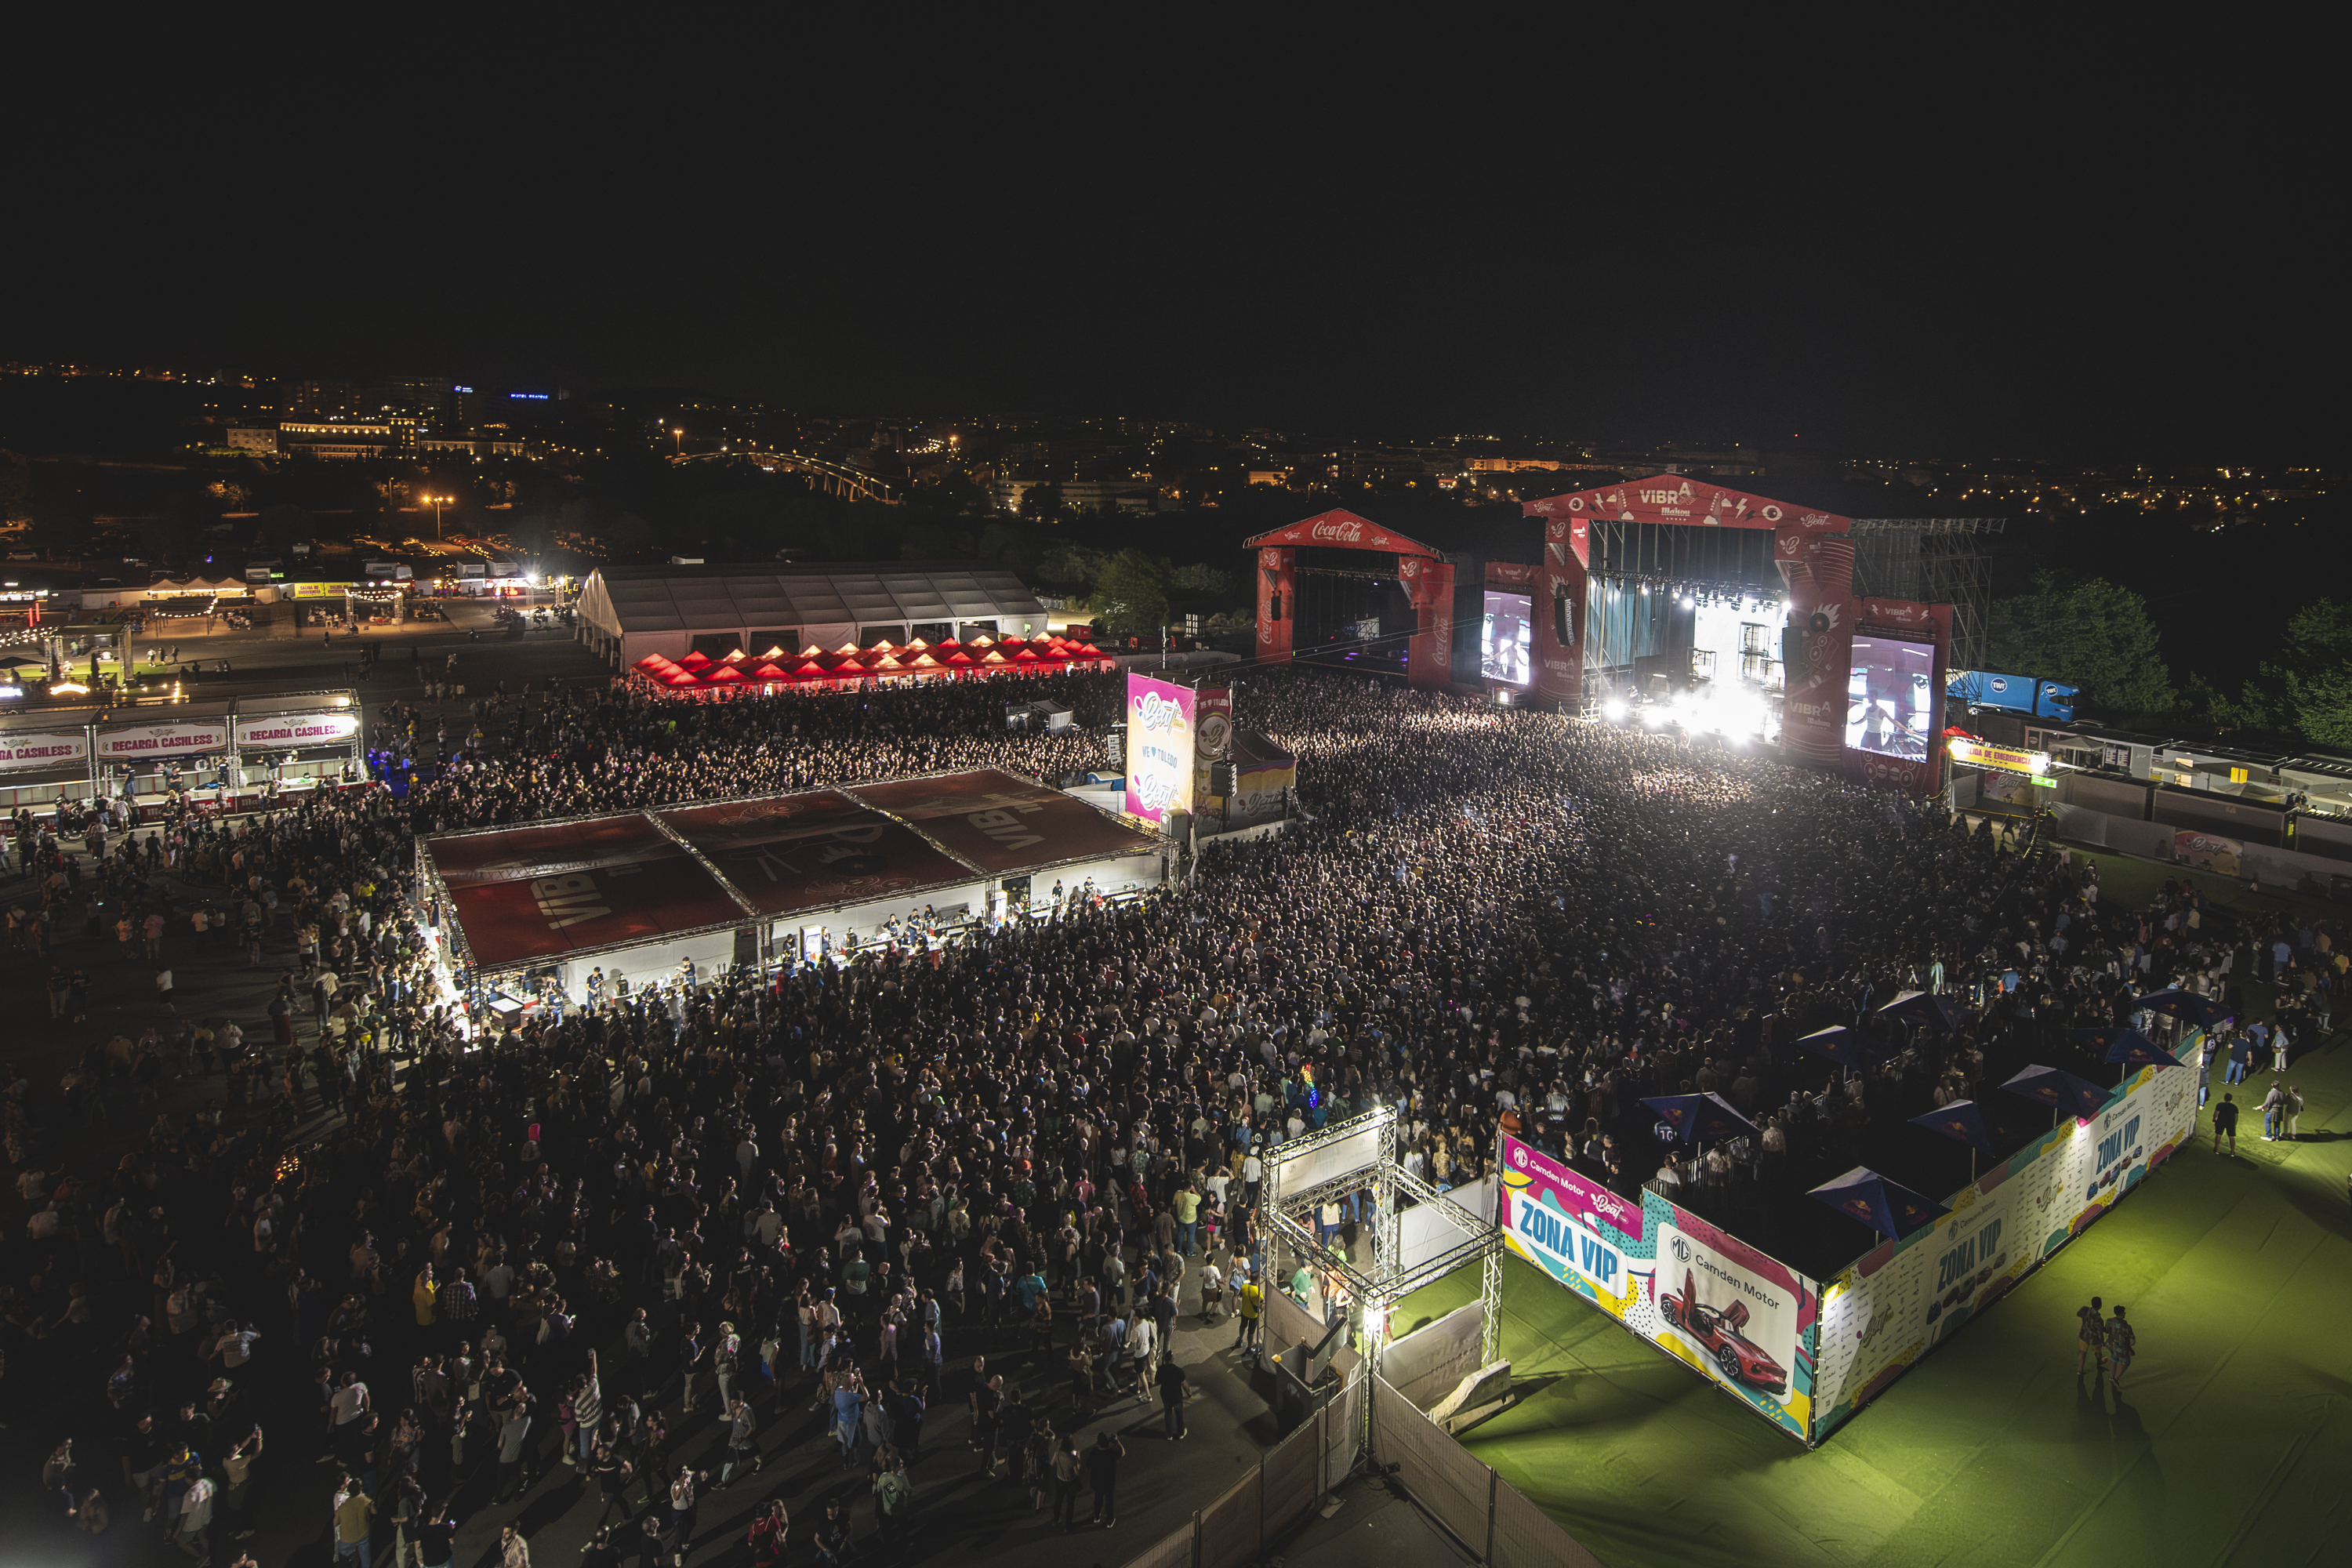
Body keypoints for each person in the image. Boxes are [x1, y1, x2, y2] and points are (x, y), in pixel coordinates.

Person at [1086, 1430, 1125, 1528]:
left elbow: (1088, 1464)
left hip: (1097, 1481)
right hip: (1109, 1481)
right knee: (1109, 1500)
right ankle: (1110, 1520)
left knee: (1098, 1498)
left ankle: (1097, 1517)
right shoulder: (1111, 1452)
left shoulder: (1094, 1452)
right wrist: (1116, 1442)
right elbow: (1122, 1453)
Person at [1156, 1356, 1190, 1439]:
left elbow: (1157, 1381)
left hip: (1166, 1396)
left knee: (1168, 1414)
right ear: (1173, 1360)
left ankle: (1169, 1435)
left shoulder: (1161, 1370)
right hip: (1176, 1396)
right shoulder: (1178, 1370)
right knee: (1179, 1414)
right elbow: (1184, 1384)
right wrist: (1189, 1393)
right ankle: (1181, 1433)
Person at [2105, 1305, 2136, 1391]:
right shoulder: (2126, 1327)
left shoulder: (2109, 1321)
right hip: (2122, 1349)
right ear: (2122, 1314)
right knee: (2126, 1362)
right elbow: (2132, 1342)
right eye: (2124, 1313)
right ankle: (2116, 1377)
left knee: (2114, 1359)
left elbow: (2107, 1330)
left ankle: (2111, 1377)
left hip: (2112, 1346)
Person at [2074, 1295, 2105, 1377]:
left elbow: (2078, 1314)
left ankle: (2080, 1370)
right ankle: (2099, 1362)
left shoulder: (2085, 1309)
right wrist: (2102, 1342)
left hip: (2083, 1335)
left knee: (2082, 1352)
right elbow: (2100, 1332)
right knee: (2098, 1351)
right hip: (2094, 1339)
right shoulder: (2099, 1319)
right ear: (2100, 1306)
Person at [2212, 1092, 2239, 1156]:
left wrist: (2214, 1119)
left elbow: (2216, 1113)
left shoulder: (2220, 1105)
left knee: (2219, 1134)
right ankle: (2232, 1151)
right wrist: (2234, 1124)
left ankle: (2216, 1148)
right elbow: (2236, 1117)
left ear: (2224, 1098)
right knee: (2231, 1136)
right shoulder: (2234, 1107)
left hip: (2221, 1121)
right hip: (2230, 1123)